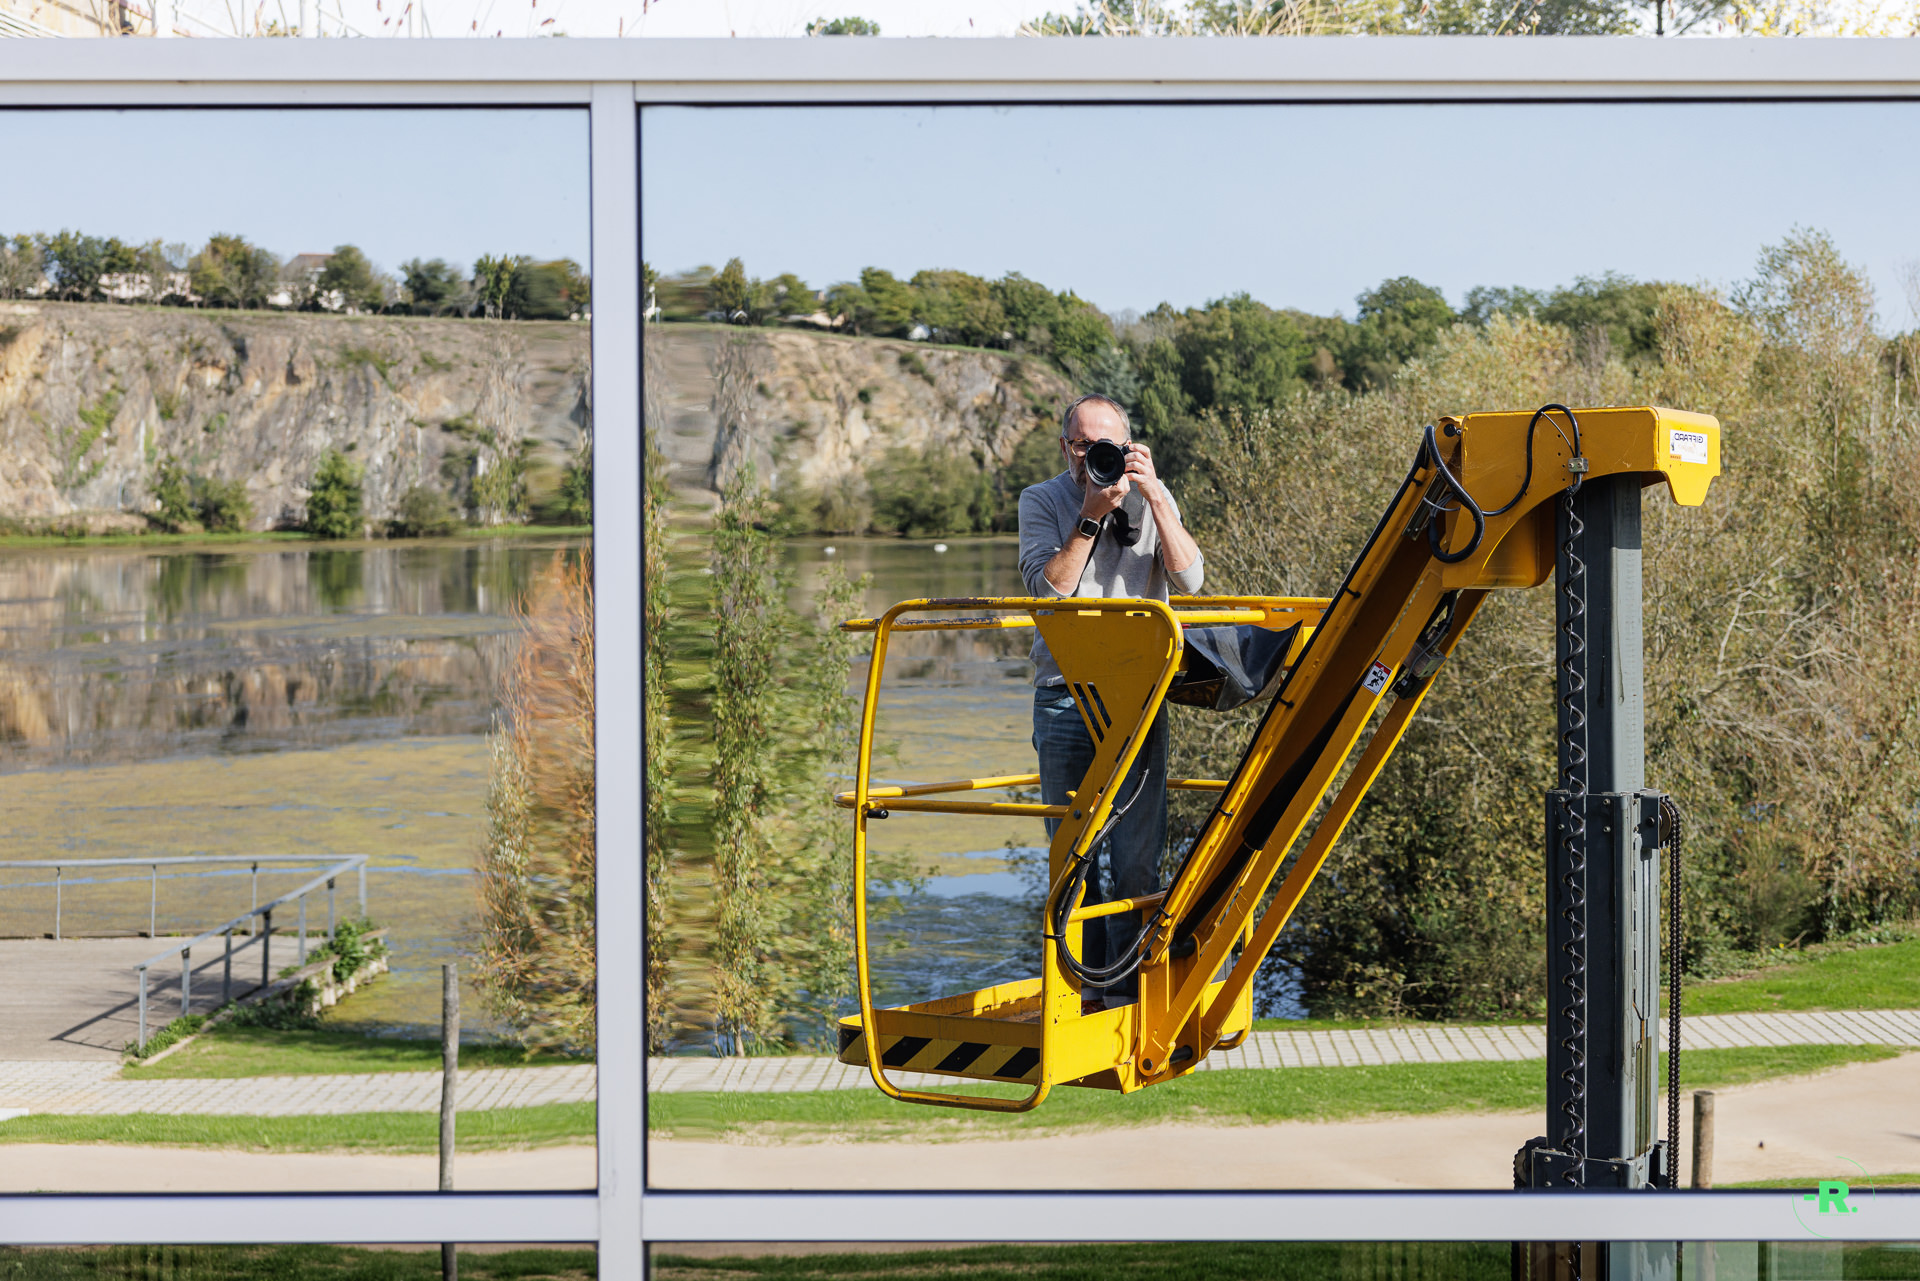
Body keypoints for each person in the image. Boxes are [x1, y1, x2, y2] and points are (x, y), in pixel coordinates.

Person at [1017, 392, 1203, 1006]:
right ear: (1065, 445)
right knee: (1072, 862)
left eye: (1105, 445)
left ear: (1128, 447)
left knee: (1135, 863)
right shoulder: (1042, 500)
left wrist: (1154, 498)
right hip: (1064, 697)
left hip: (1136, 698)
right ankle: (1078, 1000)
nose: (1089, 454)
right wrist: (1092, 516)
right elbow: (1049, 594)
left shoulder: (1155, 495)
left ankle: (1127, 999)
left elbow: (1190, 580)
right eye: (1079, 443)